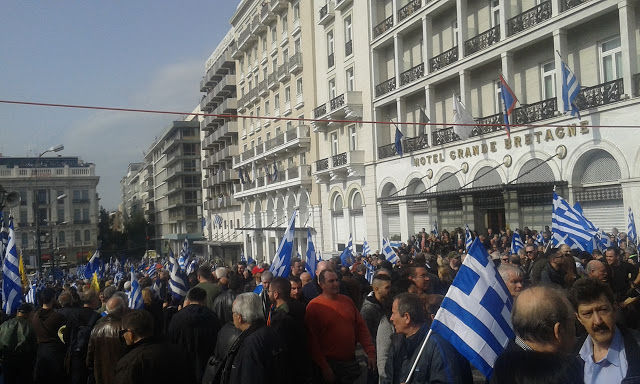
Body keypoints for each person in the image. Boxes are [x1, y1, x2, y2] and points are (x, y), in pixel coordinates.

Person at [384, 293, 472, 384]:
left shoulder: (437, 345)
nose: (391, 318)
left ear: (407, 317)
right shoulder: (397, 343)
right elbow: (388, 378)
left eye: (394, 313)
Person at [305, 270, 376, 383]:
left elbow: (361, 327)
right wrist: (325, 367)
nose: (336, 284)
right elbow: (313, 341)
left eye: (337, 280)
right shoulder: (314, 307)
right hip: (331, 364)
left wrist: (370, 351)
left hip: (350, 363)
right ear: (321, 284)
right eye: (331, 281)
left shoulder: (347, 301)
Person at [568, 278, 640, 383]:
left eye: (602, 310)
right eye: (587, 313)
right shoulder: (570, 356)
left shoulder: (636, 347)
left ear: (614, 309)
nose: (597, 321)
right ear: (579, 318)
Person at [219, 293, 288, 384]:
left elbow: (249, 377)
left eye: (233, 312)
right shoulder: (270, 331)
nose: (232, 316)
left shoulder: (250, 344)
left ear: (239, 317)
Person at [114, 310, 195, 384]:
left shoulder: (131, 362)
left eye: (123, 332)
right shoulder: (178, 351)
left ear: (130, 333)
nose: (122, 335)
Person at [168, 287, 221, 383]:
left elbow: (171, 339)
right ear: (204, 300)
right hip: (205, 363)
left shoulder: (177, 317)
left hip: (183, 363)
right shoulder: (212, 317)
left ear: (188, 299)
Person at [267, 277, 311, 382]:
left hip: (288, 368)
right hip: (300, 364)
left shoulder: (281, 318)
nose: (268, 294)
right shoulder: (297, 306)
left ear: (276, 294)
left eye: (269, 291)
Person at [509, 286, 576, 353]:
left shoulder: (506, 360)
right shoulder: (560, 362)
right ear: (559, 332)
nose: (575, 336)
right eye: (573, 324)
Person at [86, 297, 127, 384]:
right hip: (121, 376)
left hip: (101, 376)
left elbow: (90, 357)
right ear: (123, 309)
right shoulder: (126, 329)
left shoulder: (96, 328)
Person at [32, 287, 68, 384]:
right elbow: (65, 335)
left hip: (40, 353)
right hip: (55, 354)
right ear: (53, 298)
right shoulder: (57, 316)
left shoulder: (35, 316)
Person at [0, 303, 37, 384]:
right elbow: (35, 348)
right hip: (24, 364)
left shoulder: (4, 325)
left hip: (7, 363)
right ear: (30, 314)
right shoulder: (29, 327)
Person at [360, 273, 391, 345]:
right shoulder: (368, 309)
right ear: (377, 289)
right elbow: (366, 334)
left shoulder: (387, 301)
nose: (390, 290)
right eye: (387, 287)